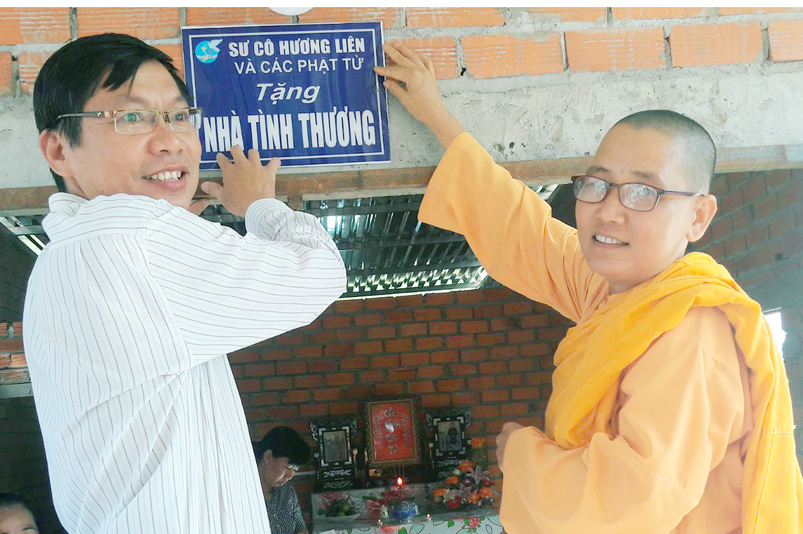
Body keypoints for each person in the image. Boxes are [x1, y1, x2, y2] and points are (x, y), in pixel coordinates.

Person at [374, 42, 803, 534]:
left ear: (698, 217)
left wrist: (520, 453)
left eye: (644, 191)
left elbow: (625, 505)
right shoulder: (614, 292)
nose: (609, 211)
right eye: (597, 184)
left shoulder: (687, 333)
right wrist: (434, 113)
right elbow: (521, 230)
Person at [25, 33, 346, 533]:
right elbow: (320, 272)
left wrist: (182, 229)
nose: (171, 140)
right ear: (59, 150)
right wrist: (260, 205)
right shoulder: (128, 232)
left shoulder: (68, 253)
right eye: (131, 117)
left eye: (178, 115)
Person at [253, 427, 311, 534]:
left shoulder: (287, 489)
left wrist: (302, 531)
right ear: (268, 456)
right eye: (288, 467)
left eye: (295, 470)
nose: (290, 475)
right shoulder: (245, 495)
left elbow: (299, 525)